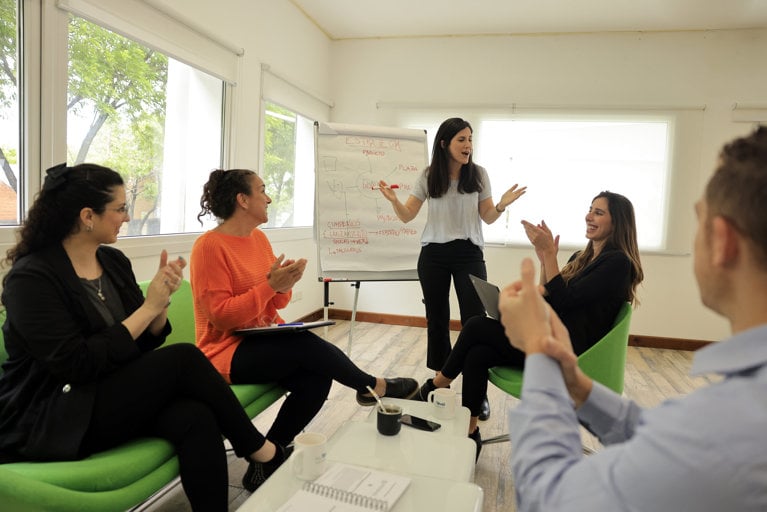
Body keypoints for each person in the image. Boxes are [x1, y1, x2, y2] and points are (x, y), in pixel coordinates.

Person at [500, 126, 767, 511]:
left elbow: (549, 498)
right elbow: (667, 442)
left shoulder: (731, 424)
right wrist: (579, 387)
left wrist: (539, 350)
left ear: (723, 241)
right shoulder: (729, 418)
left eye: (697, 222)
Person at [0, 163, 291, 511]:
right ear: (87, 216)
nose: (126, 216)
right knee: (184, 357)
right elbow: (75, 365)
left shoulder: (112, 260)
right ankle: (261, 450)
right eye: (120, 209)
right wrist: (148, 308)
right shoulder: (31, 278)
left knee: (196, 416)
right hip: (58, 411)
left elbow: (144, 340)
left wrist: (161, 303)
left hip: (110, 392)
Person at [189, 169, 419, 450]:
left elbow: (276, 303)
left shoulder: (258, 240)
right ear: (243, 200)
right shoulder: (209, 247)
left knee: (317, 377)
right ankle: (372, 385)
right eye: (262, 190)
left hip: (262, 338)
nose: (269, 198)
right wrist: (270, 287)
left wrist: (283, 285)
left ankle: (270, 453)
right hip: (225, 351)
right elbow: (222, 318)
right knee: (303, 347)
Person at [413, 191, 643, 458]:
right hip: (550, 339)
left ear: (618, 222)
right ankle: (470, 433)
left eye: (598, 213)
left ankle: (435, 386)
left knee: (476, 325)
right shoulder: (582, 256)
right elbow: (553, 299)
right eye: (590, 209)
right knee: (477, 354)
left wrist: (549, 256)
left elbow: (563, 300)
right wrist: (544, 258)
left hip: (570, 354)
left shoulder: (618, 263)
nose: (588, 216)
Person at [378, 117, 526, 420]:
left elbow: (487, 217)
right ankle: (439, 387)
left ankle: (477, 395)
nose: (468, 145)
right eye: (461, 139)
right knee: (437, 320)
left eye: (470, 139)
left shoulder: (479, 175)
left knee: (475, 322)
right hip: (433, 254)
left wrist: (501, 205)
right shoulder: (429, 176)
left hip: (469, 253)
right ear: (444, 143)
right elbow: (407, 215)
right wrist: (394, 200)